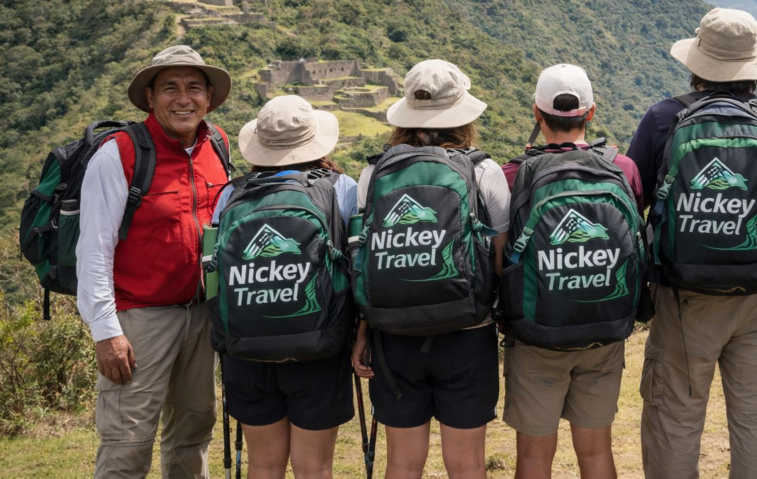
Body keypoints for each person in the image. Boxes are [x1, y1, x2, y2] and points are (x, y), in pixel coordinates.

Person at [626, 8, 757, 479]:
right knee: (754, 423)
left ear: (696, 63)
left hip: (685, 297)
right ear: (752, 67)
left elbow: (631, 202)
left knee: (676, 419)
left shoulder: (664, 118)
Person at [77, 45, 232, 478]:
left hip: (200, 316)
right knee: (128, 442)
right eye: (170, 88)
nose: (183, 98)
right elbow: (94, 249)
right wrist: (106, 332)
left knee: (193, 433)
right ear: (149, 98)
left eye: (194, 88)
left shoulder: (215, 145)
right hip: (138, 320)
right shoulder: (120, 154)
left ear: (209, 98)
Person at [350, 59, 509, 479]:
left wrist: (363, 332)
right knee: (468, 463)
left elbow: (368, 258)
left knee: (402, 463)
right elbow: (499, 254)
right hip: (467, 334)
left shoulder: (373, 173)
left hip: (393, 335)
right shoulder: (483, 171)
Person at [500, 63, 643, 479]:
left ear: (536, 115)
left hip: (537, 333)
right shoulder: (624, 169)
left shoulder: (514, 175)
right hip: (603, 326)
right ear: (591, 113)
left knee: (533, 456)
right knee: (596, 451)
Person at [211, 94, 358, 479]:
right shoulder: (341, 189)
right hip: (318, 347)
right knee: (314, 468)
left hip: (246, 351)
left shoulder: (230, 195)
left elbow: (211, 272)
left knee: (263, 464)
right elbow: (356, 265)